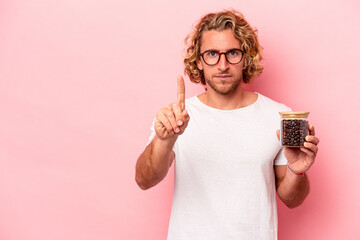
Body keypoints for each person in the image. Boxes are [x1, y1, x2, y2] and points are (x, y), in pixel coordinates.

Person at [135, 9, 319, 240]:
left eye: (232, 53)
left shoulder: (279, 116)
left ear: (246, 57)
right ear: (199, 61)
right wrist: (164, 140)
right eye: (212, 54)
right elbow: (144, 180)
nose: (222, 65)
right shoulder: (176, 117)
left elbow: (293, 200)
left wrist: (296, 170)